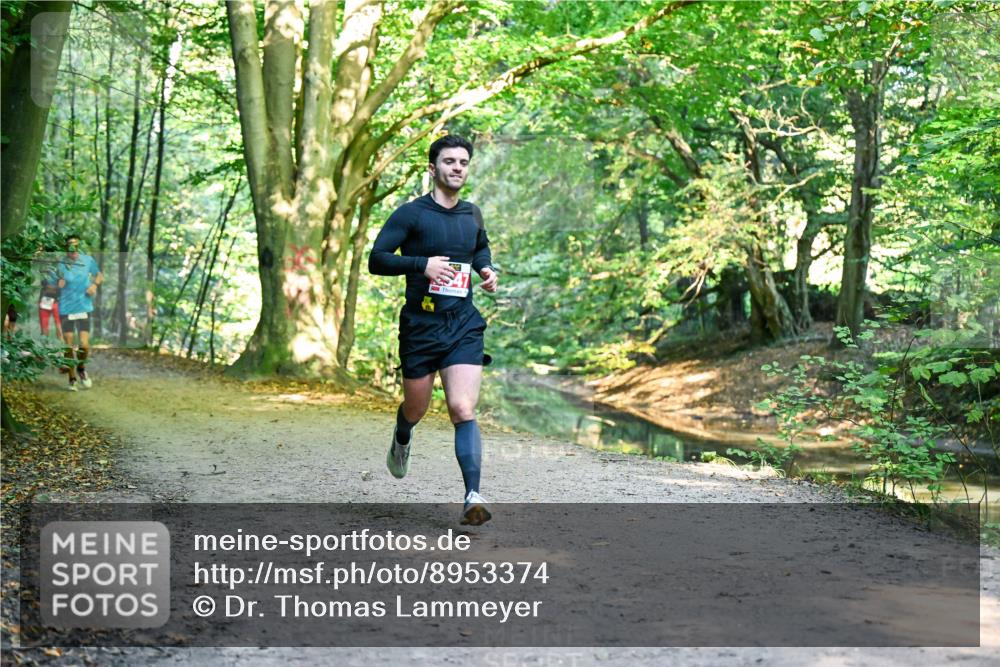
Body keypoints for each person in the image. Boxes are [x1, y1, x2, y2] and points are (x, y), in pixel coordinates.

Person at [368, 135, 499, 526]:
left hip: (462, 323)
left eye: (463, 162)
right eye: (449, 162)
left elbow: (479, 248)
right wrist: (419, 265)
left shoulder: (472, 214)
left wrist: (486, 270)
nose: (457, 168)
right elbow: (377, 259)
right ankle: (402, 434)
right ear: (433, 168)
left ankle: (472, 495)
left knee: (462, 408)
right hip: (420, 326)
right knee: (417, 407)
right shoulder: (411, 215)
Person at [56, 235, 102, 391]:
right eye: (70, 247)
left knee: (84, 345)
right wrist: (59, 283)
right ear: (66, 249)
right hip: (67, 308)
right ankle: (72, 378)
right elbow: (56, 282)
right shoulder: (61, 263)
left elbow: (99, 274)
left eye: (76, 246)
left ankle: (81, 368)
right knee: (68, 345)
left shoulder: (87, 260)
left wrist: (94, 286)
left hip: (83, 306)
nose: (73, 250)